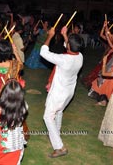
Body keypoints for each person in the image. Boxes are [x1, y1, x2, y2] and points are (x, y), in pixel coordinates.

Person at [40, 26, 83, 158]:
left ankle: (59, 147)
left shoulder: (64, 59)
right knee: (58, 112)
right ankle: (56, 133)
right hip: (69, 92)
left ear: (69, 46)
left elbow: (44, 52)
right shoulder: (80, 56)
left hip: (59, 93)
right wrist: (65, 35)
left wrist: (50, 36)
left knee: (47, 117)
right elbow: (69, 47)